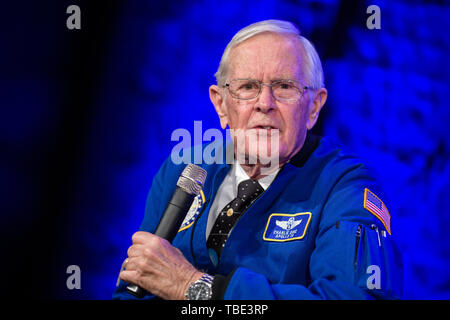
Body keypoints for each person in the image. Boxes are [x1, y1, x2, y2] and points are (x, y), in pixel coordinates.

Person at [113, 19, 403, 300]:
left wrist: (193, 287)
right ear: (221, 105)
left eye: (284, 87)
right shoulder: (184, 168)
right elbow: (133, 289)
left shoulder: (345, 186)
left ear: (314, 107)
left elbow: (355, 296)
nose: (265, 103)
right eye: (247, 87)